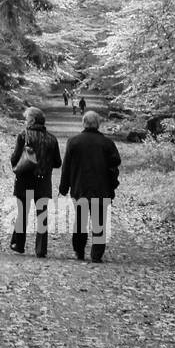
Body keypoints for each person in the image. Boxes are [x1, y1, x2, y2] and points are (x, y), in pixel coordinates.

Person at [59, 110, 121, 263]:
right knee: (100, 221)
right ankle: (96, 254)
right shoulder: (107, 143)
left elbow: (66, 166)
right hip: (102, 189)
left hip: (80, 188)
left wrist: (63, 187)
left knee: (80, 220)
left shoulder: (74, 142)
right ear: (98, 124)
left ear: (84, 123)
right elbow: (116, 162)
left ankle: (79, 250)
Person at [8, 106, 61, 257]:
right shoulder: (52, 138)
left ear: (32, 120)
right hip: (43, 182)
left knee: (22, 213)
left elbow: (15, 158)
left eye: (26, 119)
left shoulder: (23, 135)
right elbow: (58, 162)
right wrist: (45, 162)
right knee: (42, 216)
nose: (25, 121)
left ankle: (19, 244)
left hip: (24, 180)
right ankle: (41, 250)